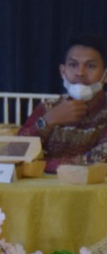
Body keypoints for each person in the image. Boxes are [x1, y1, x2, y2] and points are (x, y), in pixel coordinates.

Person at [17, 34, 107, 173]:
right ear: (63, 71)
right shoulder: (48, 108)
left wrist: (39, 164)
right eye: (73, 65)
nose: (80, 73)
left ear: (105, 75)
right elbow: (14, 152)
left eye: (90, 66)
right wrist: (47, 121)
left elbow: (99, 163)